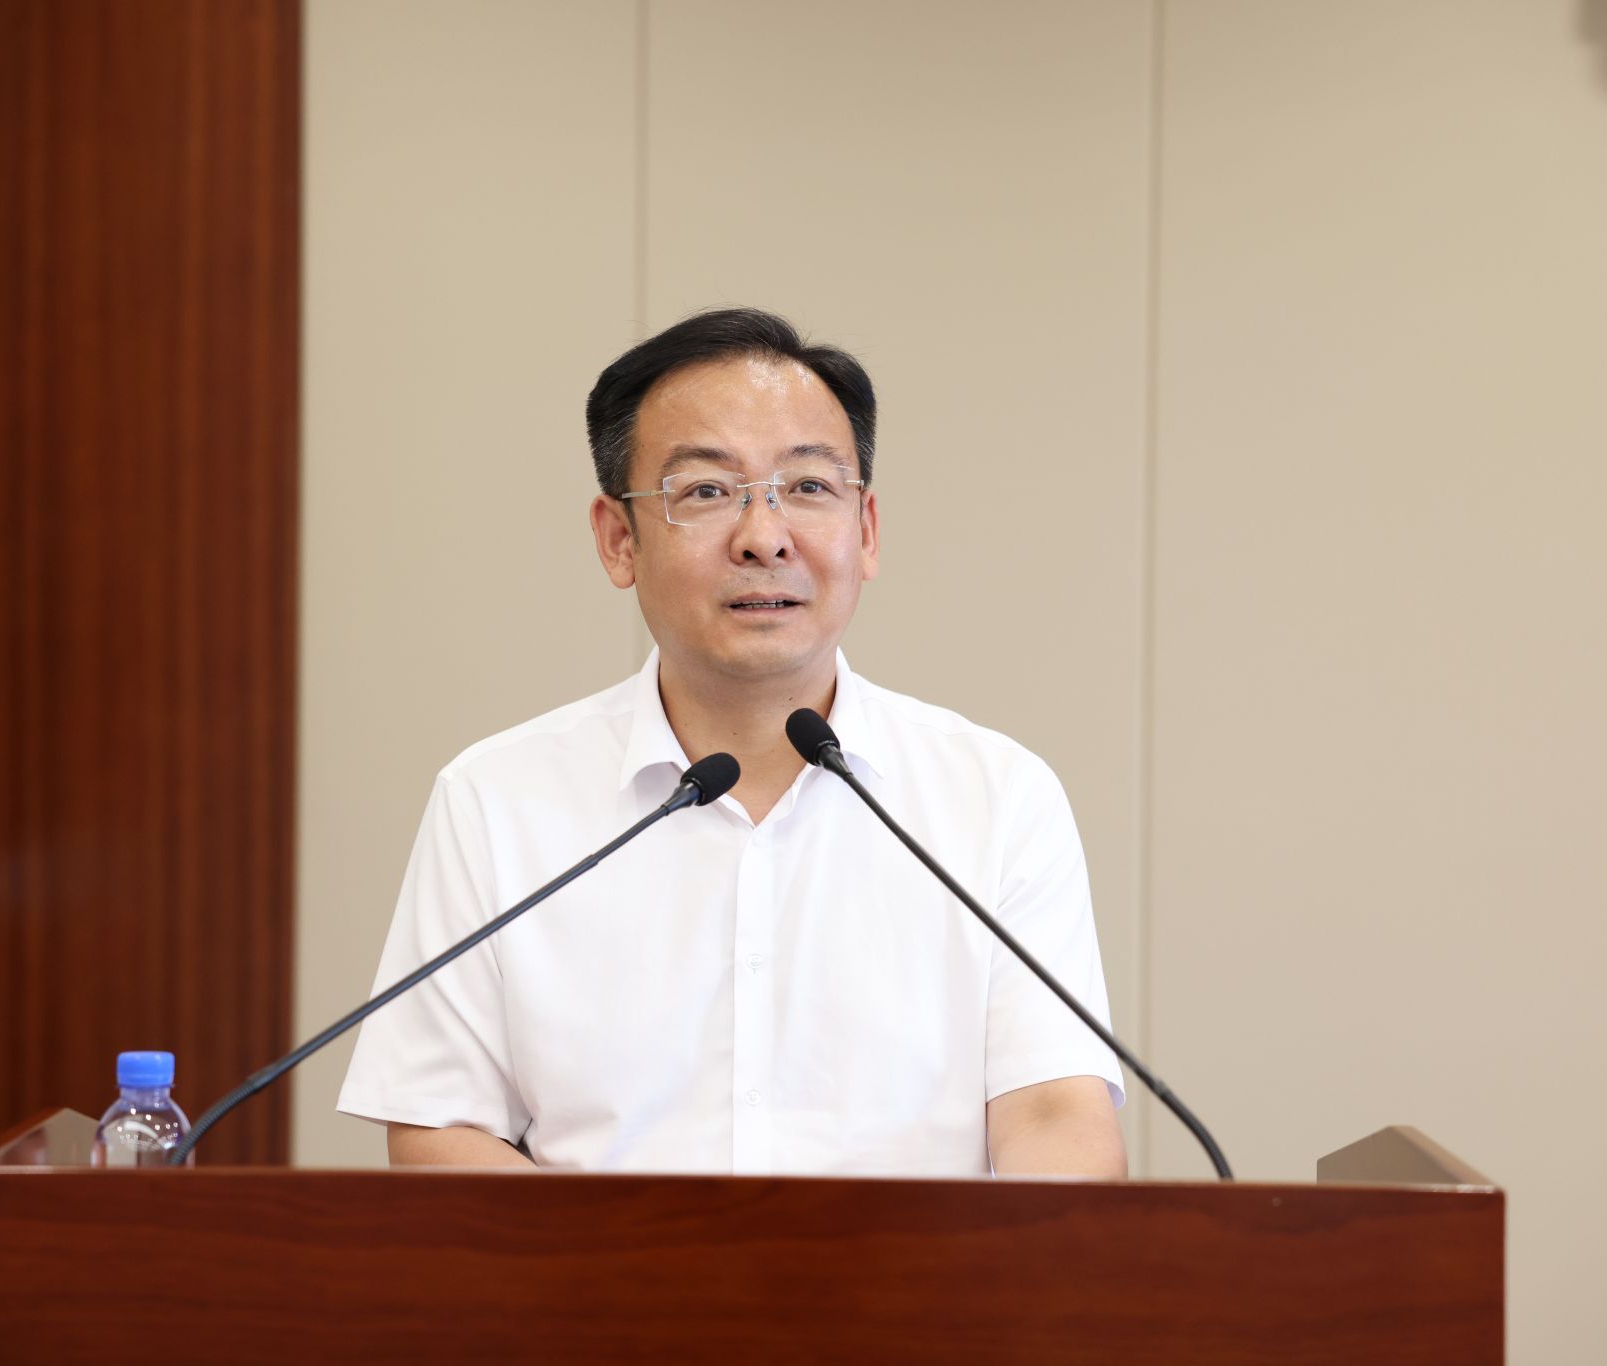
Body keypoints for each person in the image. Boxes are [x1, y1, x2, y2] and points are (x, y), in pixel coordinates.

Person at [337, 308, 1126, 1178]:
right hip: (595, 1274)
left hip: (922, 1274)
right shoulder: (497, 800)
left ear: (866, 531)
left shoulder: (997, 798)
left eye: (809, 487)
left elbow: (1058, 1117)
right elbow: (441, 1128)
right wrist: (610, 1269)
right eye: (706, 492)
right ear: (618, 540)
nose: (764, 537)